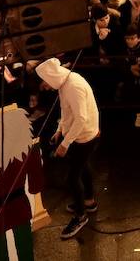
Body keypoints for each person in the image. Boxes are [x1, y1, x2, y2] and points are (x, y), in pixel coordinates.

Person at [35, 58, 100, 239]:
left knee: (72, 177)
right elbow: (66, 111)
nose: (44, 86)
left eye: (45, 81)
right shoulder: (65, 83)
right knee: (83, 166)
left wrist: (65, 144)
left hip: (85, 136)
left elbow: (81, 119)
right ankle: (89, 201)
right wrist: (60, 130)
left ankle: (80, 216)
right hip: (81, 134)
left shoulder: (73, 86)